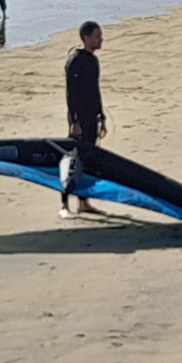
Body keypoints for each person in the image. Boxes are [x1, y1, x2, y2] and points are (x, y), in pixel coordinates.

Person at [60, 21, 108, 219]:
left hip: (92, 117)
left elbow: (95, 90)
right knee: (72, 160)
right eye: (97, 36)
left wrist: (102, 117)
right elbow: (70, 94)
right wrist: (74, 122)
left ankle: (83, 202)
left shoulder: (93, 61)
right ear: (86, 38)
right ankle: (64, 204)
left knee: (88, 160)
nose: (101, 39)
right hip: (79, 119)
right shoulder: (75, 60)